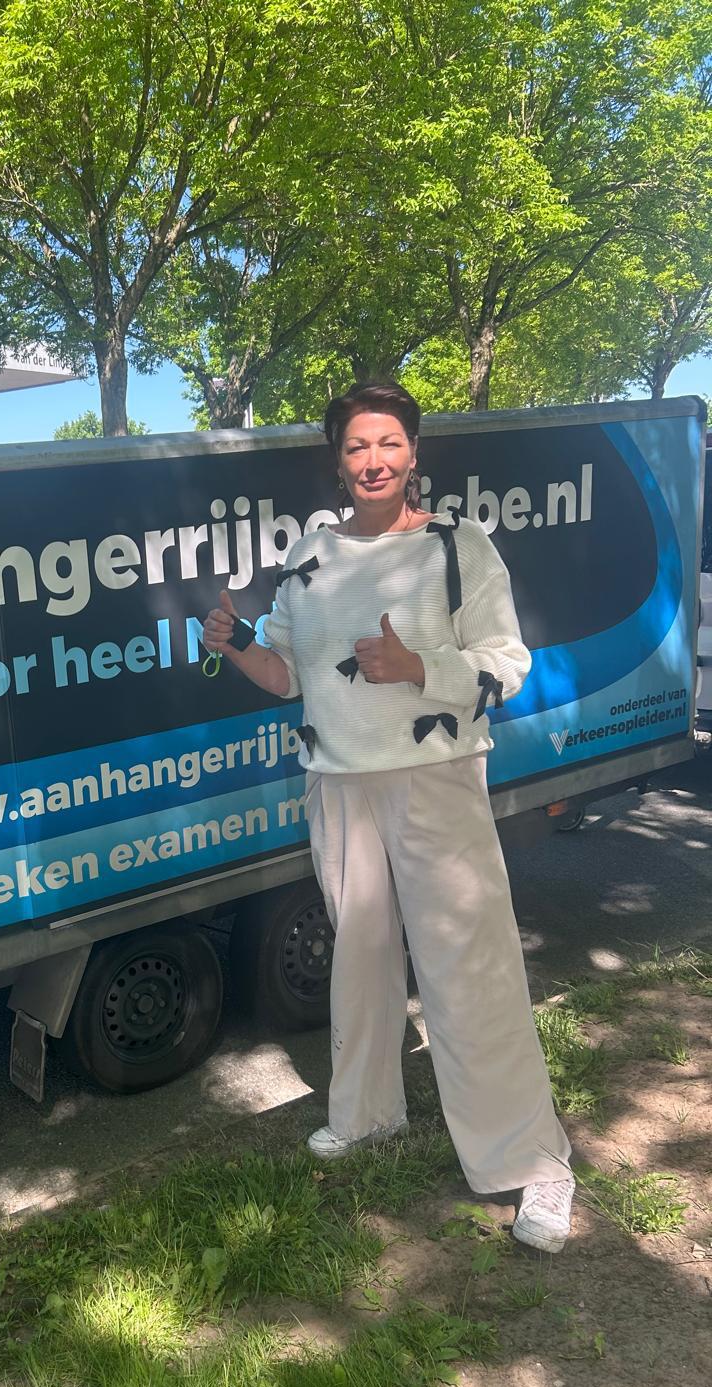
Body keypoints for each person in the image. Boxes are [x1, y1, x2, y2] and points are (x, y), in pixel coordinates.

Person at [202, 379, 575, 1253]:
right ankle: (368, 1113)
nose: (373, 460)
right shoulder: (311, 554)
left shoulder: (458, 545)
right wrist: (239, 641)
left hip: (436, 780)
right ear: (338, 462)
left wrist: (417, 668)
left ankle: (533, 1162)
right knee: (361, 959)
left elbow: (506, 662)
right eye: (357, 446)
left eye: (389, 443)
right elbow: (287, 676)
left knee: (469, 970)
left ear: (414, 453)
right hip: (338, 785)